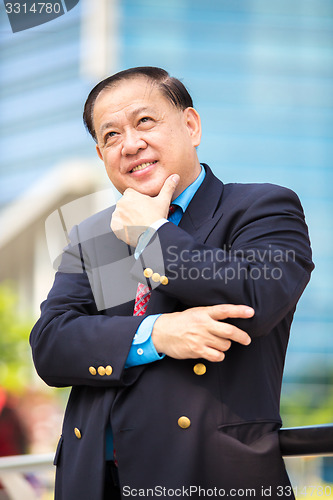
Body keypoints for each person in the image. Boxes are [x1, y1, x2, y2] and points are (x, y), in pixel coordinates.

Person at [30, 67, 314, 500]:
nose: (130, 144)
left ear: (191, 125)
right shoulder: (94, 236)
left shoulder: (261, 207)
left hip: (207, 476)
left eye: (145, 122)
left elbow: (253, 299)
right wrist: (155, 335)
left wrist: (152, 235)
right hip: (92, 480)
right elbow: (51, 345)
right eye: (110, 136)